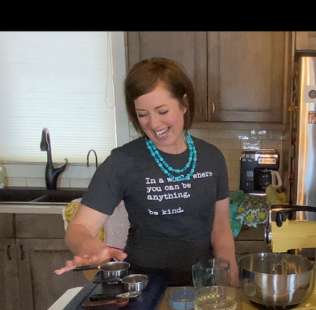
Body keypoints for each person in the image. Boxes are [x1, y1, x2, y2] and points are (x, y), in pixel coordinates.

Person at [54, 58, 238, 287]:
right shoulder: (122, 162)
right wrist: (90, 246)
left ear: (183, 103)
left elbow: (220, 229)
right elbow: (78, 229)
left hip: (202, 286)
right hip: (143, 288)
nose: (154, 123)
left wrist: (232, 286)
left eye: (162, 111)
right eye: (142, 114)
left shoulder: (212, 158)